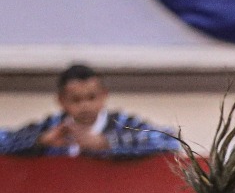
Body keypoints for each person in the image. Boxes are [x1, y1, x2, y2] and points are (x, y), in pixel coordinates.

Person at [0, 64, 180, 158]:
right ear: (61, 101)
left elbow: (169, 140)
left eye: (92, 98)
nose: (85, 106)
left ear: (103, 96)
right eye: (76, 100)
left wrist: (106, 142)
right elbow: (3, 140)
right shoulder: (53, 127)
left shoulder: (121, 123)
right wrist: (38, 141)